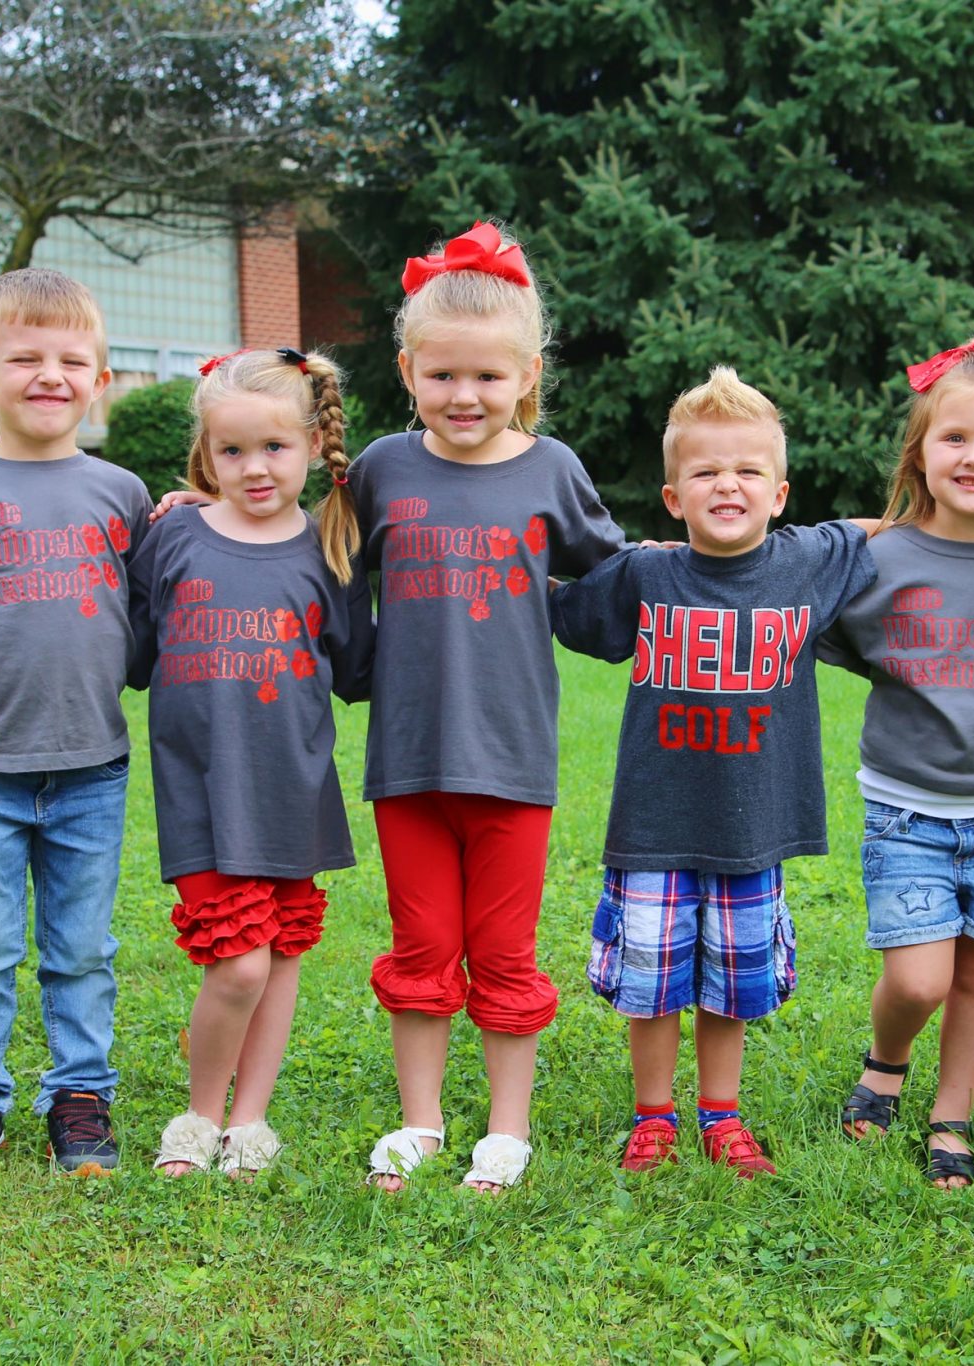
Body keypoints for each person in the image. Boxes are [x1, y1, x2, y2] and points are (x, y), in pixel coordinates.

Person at [551, 367, 877, 1178]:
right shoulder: (645, 574)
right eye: (704, 471)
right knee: (653, 980)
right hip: (655, 822)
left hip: (753, 822)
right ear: (673, 496)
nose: (726, 484)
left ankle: (720, 1114)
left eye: (747, 471)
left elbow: (898, 528)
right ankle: (654, 1115)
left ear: (779, 492)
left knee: (734, 981)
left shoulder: (810, 561)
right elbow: (554, 597)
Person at [357, 221, 627, 1192]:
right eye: (441, 378)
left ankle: (505, 1128)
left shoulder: (548, 469)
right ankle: (421, 1122)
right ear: (407, 370)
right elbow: (323, 568)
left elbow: (613, 581)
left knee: (504, 950)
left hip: (512, 758)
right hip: (406, 758)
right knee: (422, 945)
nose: (462, 397)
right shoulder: (380, 468)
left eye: (485, 378)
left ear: (526, 373)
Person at [0, 268, 152, 1178]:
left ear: (100, 381)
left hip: (92, 768)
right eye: (25, 358)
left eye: (71, 359)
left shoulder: (122, 494)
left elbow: (158, 614)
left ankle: (79, 1097)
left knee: (82, 948)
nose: (50, 374)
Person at [817, 334, 974, 1189]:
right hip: (905, 809)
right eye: (954, 437)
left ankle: (951, 1112)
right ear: (918, 452)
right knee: (920, 979)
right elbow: (803, 622)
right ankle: (887, 1060)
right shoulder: (872, 560)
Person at [128, 346, 373, 1179]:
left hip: (292, 789)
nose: (254, 467)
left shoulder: (330, 551)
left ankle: (251, 1122)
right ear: (206, 455)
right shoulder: (172, 538)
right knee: (238, 962)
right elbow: (129, 649)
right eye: (231, 452)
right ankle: (198, 1118)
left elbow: (357, 669)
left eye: (274, 448)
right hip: (199, 790)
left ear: (311, 445)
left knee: (279, 956)